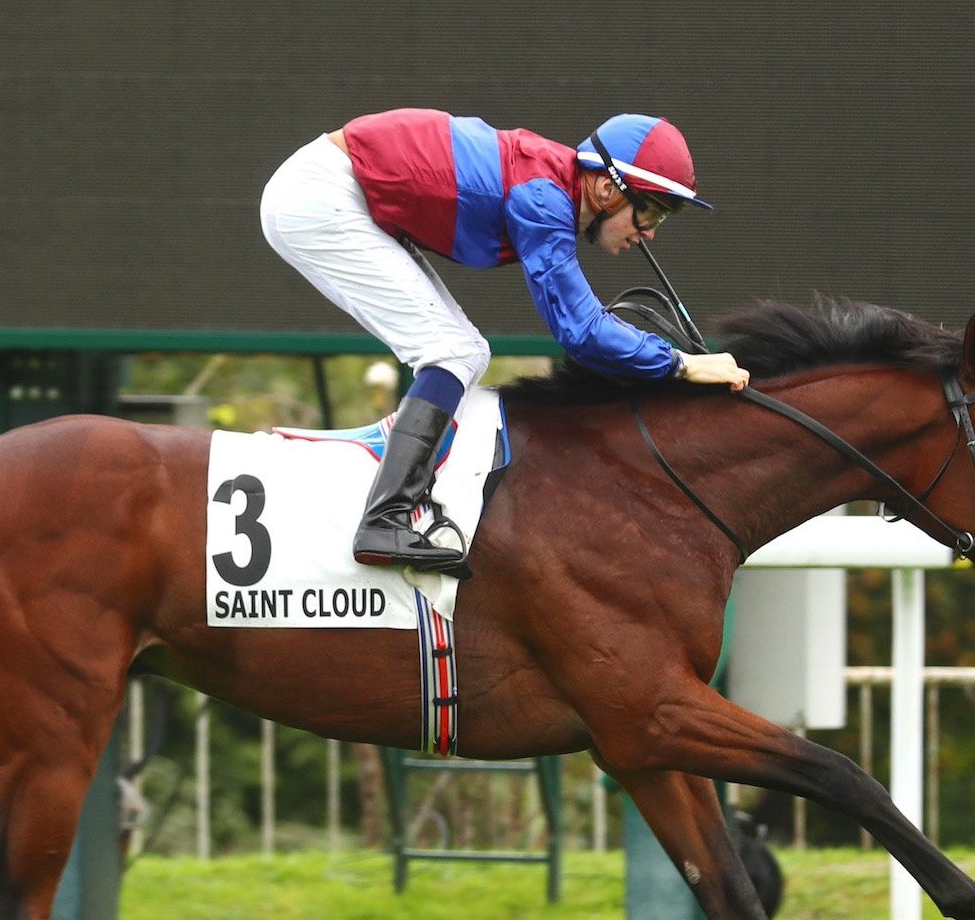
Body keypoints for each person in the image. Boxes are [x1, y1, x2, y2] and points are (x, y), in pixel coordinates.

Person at [261, 109, 748, 579]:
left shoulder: (548, 185)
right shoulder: (542, 197)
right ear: (605, 188)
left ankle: (406, 500)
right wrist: (680, 365)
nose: (649, 234)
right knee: (449, 352)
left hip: (341, 190)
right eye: (650, 212)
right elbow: (580, 331)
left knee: (467, 352)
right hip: (323, 195)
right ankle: (385, 519)